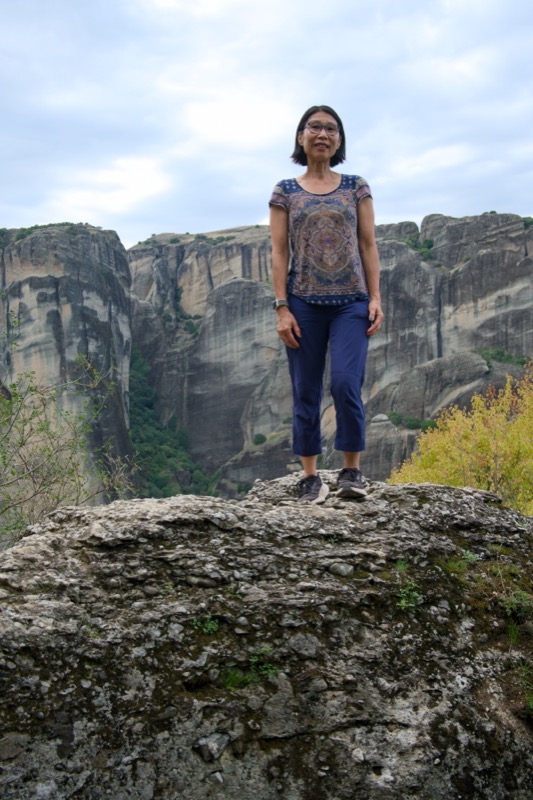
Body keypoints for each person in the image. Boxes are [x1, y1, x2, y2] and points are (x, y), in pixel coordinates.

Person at [269, 104, 384, 503]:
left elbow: (368, 244)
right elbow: (279, 252)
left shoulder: (355, 185)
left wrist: (375, 298)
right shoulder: (285, 190)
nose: (323, 134)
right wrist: (281, 306)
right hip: (303, 304)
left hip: (350, 302)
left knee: (345, 383)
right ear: (301, 137)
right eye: (314, 127)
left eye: (331, 129)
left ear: (339, 139)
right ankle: (310, 477)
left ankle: (351, 471)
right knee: (305, 389)